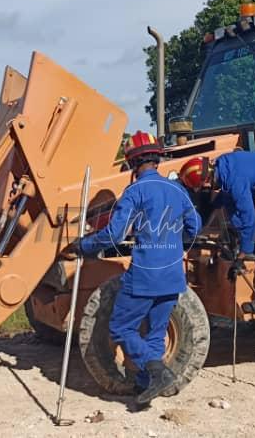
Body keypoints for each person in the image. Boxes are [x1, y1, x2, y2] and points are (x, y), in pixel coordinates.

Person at [68, 131, 201, 406]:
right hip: (174, 275)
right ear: (156, 158)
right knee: (155, 332)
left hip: (145, 275)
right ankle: (146, 386)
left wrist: (85, 245)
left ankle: (156, 371)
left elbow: (114, 235)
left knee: (121, 328)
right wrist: (174, 241)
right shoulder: (178, 191)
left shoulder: (134, 192)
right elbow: (195, 226)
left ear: (132, 163)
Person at [179, 151, 255, 314]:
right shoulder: (223, 171)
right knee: (231, 209)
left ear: (207, 180)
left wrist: (242, 255)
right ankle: (251, 250)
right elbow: (226, 206)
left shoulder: (234, 180)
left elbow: (249, 218)